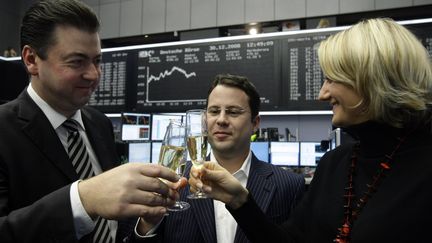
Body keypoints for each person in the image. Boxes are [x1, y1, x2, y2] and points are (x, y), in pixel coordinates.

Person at [190, 18, 432, 242]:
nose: (322, 94)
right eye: (214, 111)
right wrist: (239, 201)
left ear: (372, 80)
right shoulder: (334, 164)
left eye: (331, 79)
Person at [0, 0, 183, 242]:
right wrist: (81, 200)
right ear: (31, 59)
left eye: (97, 61)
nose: (93, 74)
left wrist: (144, 224)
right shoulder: (4, 131)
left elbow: (115, 228)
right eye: (77, 61)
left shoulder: (99, 124)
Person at [138, 74, 305, 242]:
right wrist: (148, 224)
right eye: (214, 111)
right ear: (205, 119)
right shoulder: (174, 182)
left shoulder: (289, 186)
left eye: (233, 112)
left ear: (255, 123)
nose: (221, 120)